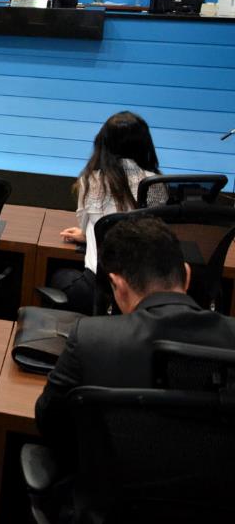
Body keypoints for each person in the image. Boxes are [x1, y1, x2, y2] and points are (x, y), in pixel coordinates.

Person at [36, 215, 235, 464]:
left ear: (117, 285)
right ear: (186, 274)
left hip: (111, 486)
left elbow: (49, 422)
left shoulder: (89, 339)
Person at [53, 111, 165, 313]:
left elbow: (85, 222)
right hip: (142, 294)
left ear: (103, 143)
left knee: (58, 276)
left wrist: (87, 234)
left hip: (98, 289)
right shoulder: (157, 184)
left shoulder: (91, 180)